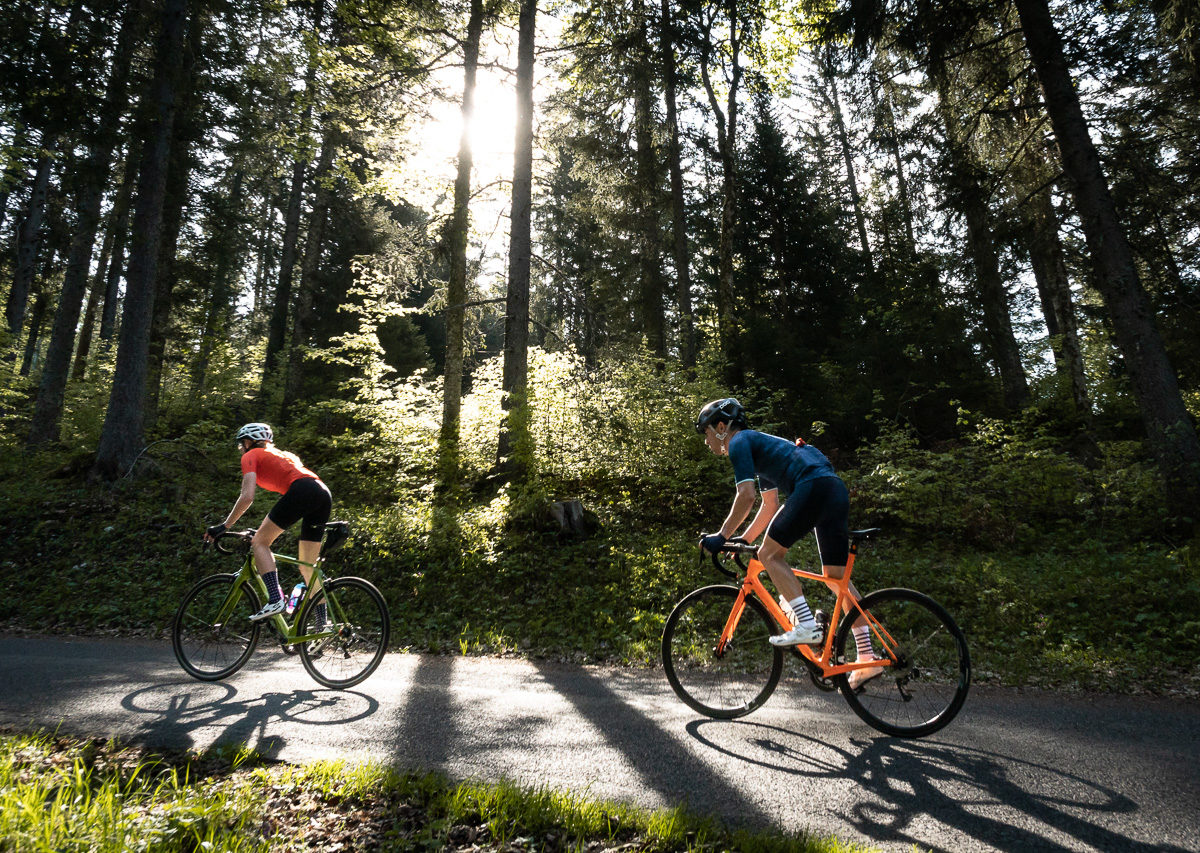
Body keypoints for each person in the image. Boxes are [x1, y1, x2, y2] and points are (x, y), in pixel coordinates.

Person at [695, 398, 883, 689]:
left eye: (706, 433)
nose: (707, 442)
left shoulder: (739, 442)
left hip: (812, 486)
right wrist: (743, 540)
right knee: (835, 578)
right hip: (832, 488)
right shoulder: (761, 448)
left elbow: (746, 497)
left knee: (770, 555)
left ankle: (806, 625)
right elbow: (769, 506)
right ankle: (867, 654)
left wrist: (721, 537)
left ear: (722, 427)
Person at [203, 423, 332, 622]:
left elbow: (247, 497)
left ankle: (275, 599)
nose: (241, 449)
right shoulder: (283, 455)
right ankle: (323, 625)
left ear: (247, 442)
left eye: (241, 445)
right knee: (308, 567)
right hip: (322, 492)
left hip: (303, 491)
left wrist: (224, 526)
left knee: (260, 543)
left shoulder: (250, 456)